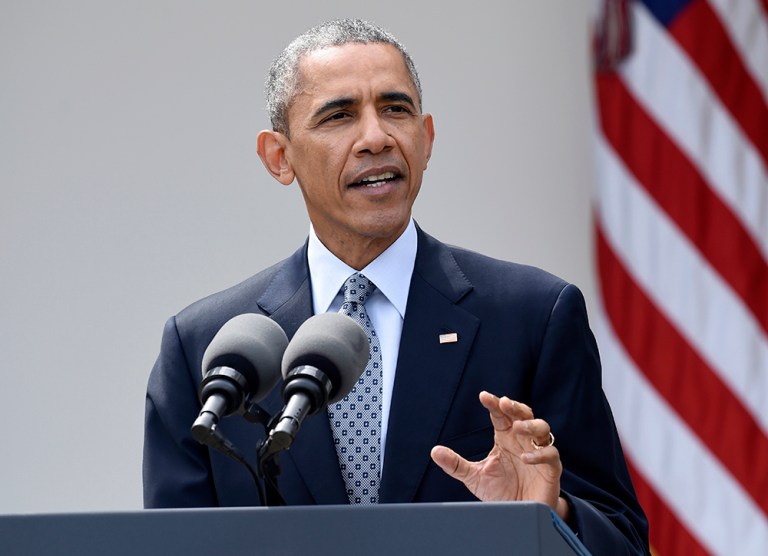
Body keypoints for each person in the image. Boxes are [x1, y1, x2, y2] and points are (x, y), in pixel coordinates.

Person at [143, 18, 650, 555]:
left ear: (426, 138)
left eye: (396, 109)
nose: (376, 137)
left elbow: (620, 537)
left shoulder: (533, 316)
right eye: (339, 116)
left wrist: (549, 516)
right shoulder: (205, 348)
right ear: (279, 156)